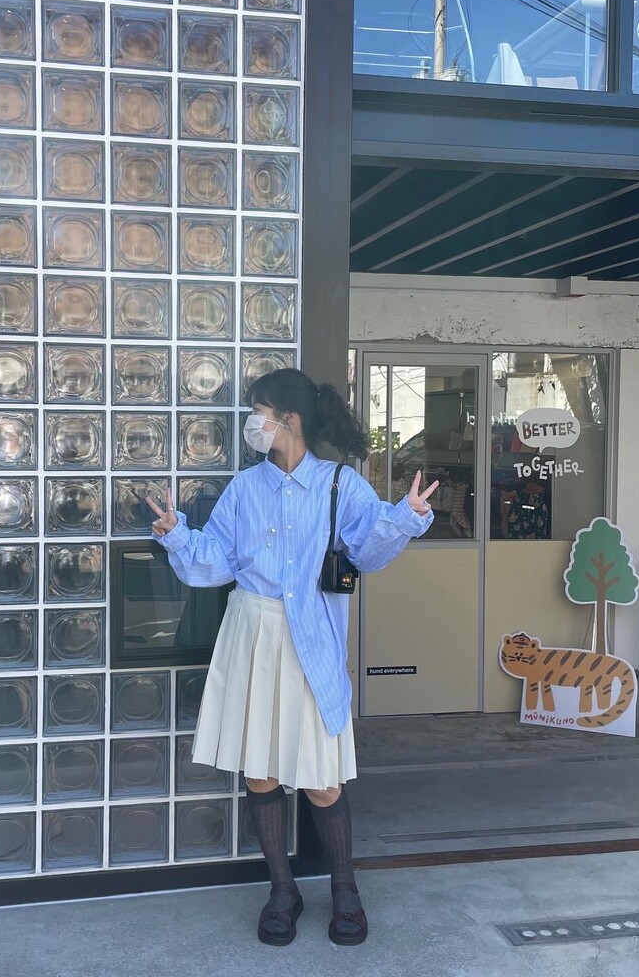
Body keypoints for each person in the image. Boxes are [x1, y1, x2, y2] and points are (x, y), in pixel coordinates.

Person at [146, 368, 437, 947]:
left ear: (288, 419)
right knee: (262, 773)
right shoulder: (244, 488)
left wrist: (407, 515)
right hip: (251, 633)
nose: (252, 423)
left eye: (258, 411)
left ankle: (345, 889)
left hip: (311, 636)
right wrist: (177, 532)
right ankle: (283, 889)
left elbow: (368, 550)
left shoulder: (339, 484)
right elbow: (216, 560)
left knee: (323, 779)